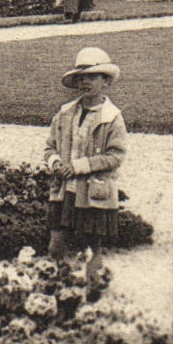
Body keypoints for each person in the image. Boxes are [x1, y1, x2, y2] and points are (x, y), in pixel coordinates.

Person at [44, 47, 128, 289]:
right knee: (56, 245)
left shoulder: (112, 118)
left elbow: (115, 156)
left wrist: (79, 167)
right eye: (81, 78)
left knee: (93, 248)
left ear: (106, 82)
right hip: (64, 190)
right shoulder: (65, 113)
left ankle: (93, 293)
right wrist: (56, 163)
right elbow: (49, 147)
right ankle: (58, 289)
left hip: (92, 192)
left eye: (92, 77)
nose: (85, 82)